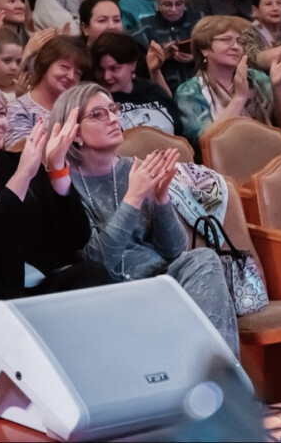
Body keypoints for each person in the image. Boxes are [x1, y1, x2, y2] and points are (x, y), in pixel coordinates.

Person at [49, 82, 239, 356]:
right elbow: (95, 263)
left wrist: (162, 200)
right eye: (98, 114)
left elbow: (174, 251)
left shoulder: (135, 168)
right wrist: (133, 198)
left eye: (114, 109)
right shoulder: (65, 185)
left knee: (204, 259)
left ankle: (220, 370)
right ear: (75, 133)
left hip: (159, 278)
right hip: (112, 288)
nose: (113, 118)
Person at [0, 78, 110, 320]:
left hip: (39, 288)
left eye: (2, 113)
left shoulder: (16, 163)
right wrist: (22, 176)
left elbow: (75, 238)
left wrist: (57, 168)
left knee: (94, 276)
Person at [175, 15, 281, 148]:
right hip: (226, 158)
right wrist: (239, 97)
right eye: (226, 40)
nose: (236, 47)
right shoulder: (190, 91)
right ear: (204, 49)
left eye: (239, 41)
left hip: (273, 150)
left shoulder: (257, 78)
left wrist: (278, 86)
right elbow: (206, 142)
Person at [5, 35, 90, 147]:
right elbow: (22, 153)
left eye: (77, 73)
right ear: (45, 64)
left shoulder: (80, 112)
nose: (71, 76)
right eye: (64, 67)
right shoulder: (18, 108)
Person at [92, 31, 182, 135]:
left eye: (114, 68)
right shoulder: (94, 102)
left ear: (133, 65)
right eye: (100, 70)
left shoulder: (153, 91)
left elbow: (179, 130)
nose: (106, 77)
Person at [132, 0, 201, 94]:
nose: (174, 9)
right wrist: (158, 59)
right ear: (157, 3)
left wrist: (196, 57)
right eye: (167, 4)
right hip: (161, 89)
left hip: (199, 88)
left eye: (179, 3)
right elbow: (135, 69)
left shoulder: (199, 21)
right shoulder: (145, 28)